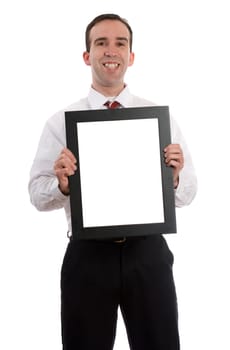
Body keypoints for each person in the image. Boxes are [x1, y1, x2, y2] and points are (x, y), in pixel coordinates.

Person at [29, 13, 197, 350]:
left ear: (131, 56)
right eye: (101, 42)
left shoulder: (157, 118)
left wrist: (173, 178)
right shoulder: (61, 122)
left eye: (120, 43)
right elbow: (36, 194)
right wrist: (62, 185)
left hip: (148, 253)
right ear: (87, 56)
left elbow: (189, 193)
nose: (111, 50)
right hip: (88, 256)